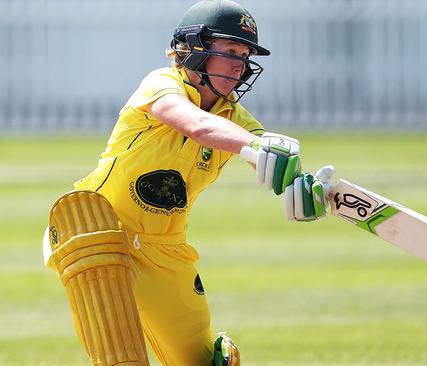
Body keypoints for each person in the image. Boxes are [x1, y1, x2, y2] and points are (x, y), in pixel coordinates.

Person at [42, 1, 327, 365]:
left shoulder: (234, 118)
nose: (240, 64)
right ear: (194, 49)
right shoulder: (161, 84)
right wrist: (254, 146)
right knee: (120, 358)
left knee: (204, 361)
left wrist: (301, 185)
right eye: (229, 51)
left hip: (166, 250)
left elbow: (268, 150)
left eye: (245, 54)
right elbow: (197, 125)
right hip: (94, 226)